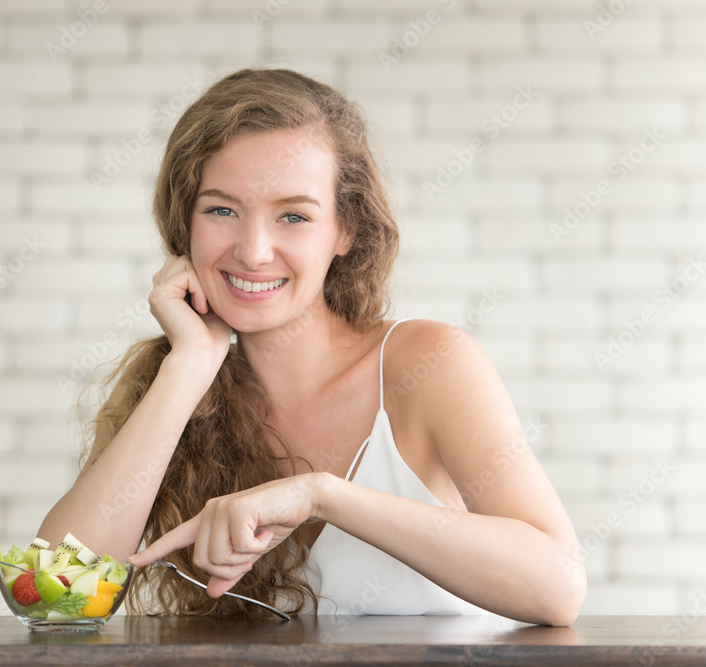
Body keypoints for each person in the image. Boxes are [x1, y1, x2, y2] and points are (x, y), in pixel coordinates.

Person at [38, 66, 586, 625]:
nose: (253, 251)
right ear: (185, 223)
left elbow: (557, 588)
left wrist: (321, 496)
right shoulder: (175, 383)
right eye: (222, 210)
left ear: (346, 229)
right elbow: (57, 599)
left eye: (294, 215)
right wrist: (189, 366)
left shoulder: (429, 362)